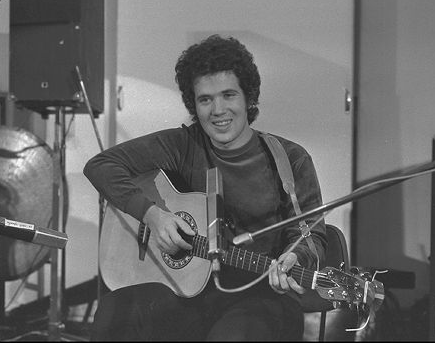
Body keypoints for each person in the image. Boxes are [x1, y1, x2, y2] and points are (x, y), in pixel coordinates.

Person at [84, 34, 327, 341]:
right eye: (205, 99)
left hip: (262, 297)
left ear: (249, 98)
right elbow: (100, 166)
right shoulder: (183, 144)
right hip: (191, 294)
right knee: (114, 313)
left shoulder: (290, 159)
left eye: (229, 95)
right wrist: (152, 215)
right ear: (193, 104)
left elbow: (312, 235)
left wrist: (297, 257)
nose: (218, 110)